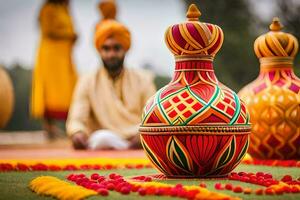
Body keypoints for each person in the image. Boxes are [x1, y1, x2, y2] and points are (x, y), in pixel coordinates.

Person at [66, 0, 156, 150]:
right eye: (106, 49)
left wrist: (143, 135)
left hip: (136, 139)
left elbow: (153, 117)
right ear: (99, 51)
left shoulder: (143, 80)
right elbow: (76, 118)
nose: (111, 54)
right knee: (102, 139)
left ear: (125, 49)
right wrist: (77, 133)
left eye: (116, 48)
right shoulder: (87, 81)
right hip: (101, 140)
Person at [31, 0, 77, 139]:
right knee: (50, 90)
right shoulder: (48, 8)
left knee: (69, 89)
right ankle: (49, 128)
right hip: (50, 56)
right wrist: (69, 35)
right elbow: (48, 30)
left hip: (64, 56)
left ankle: (71, 127)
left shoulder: (64, 9)